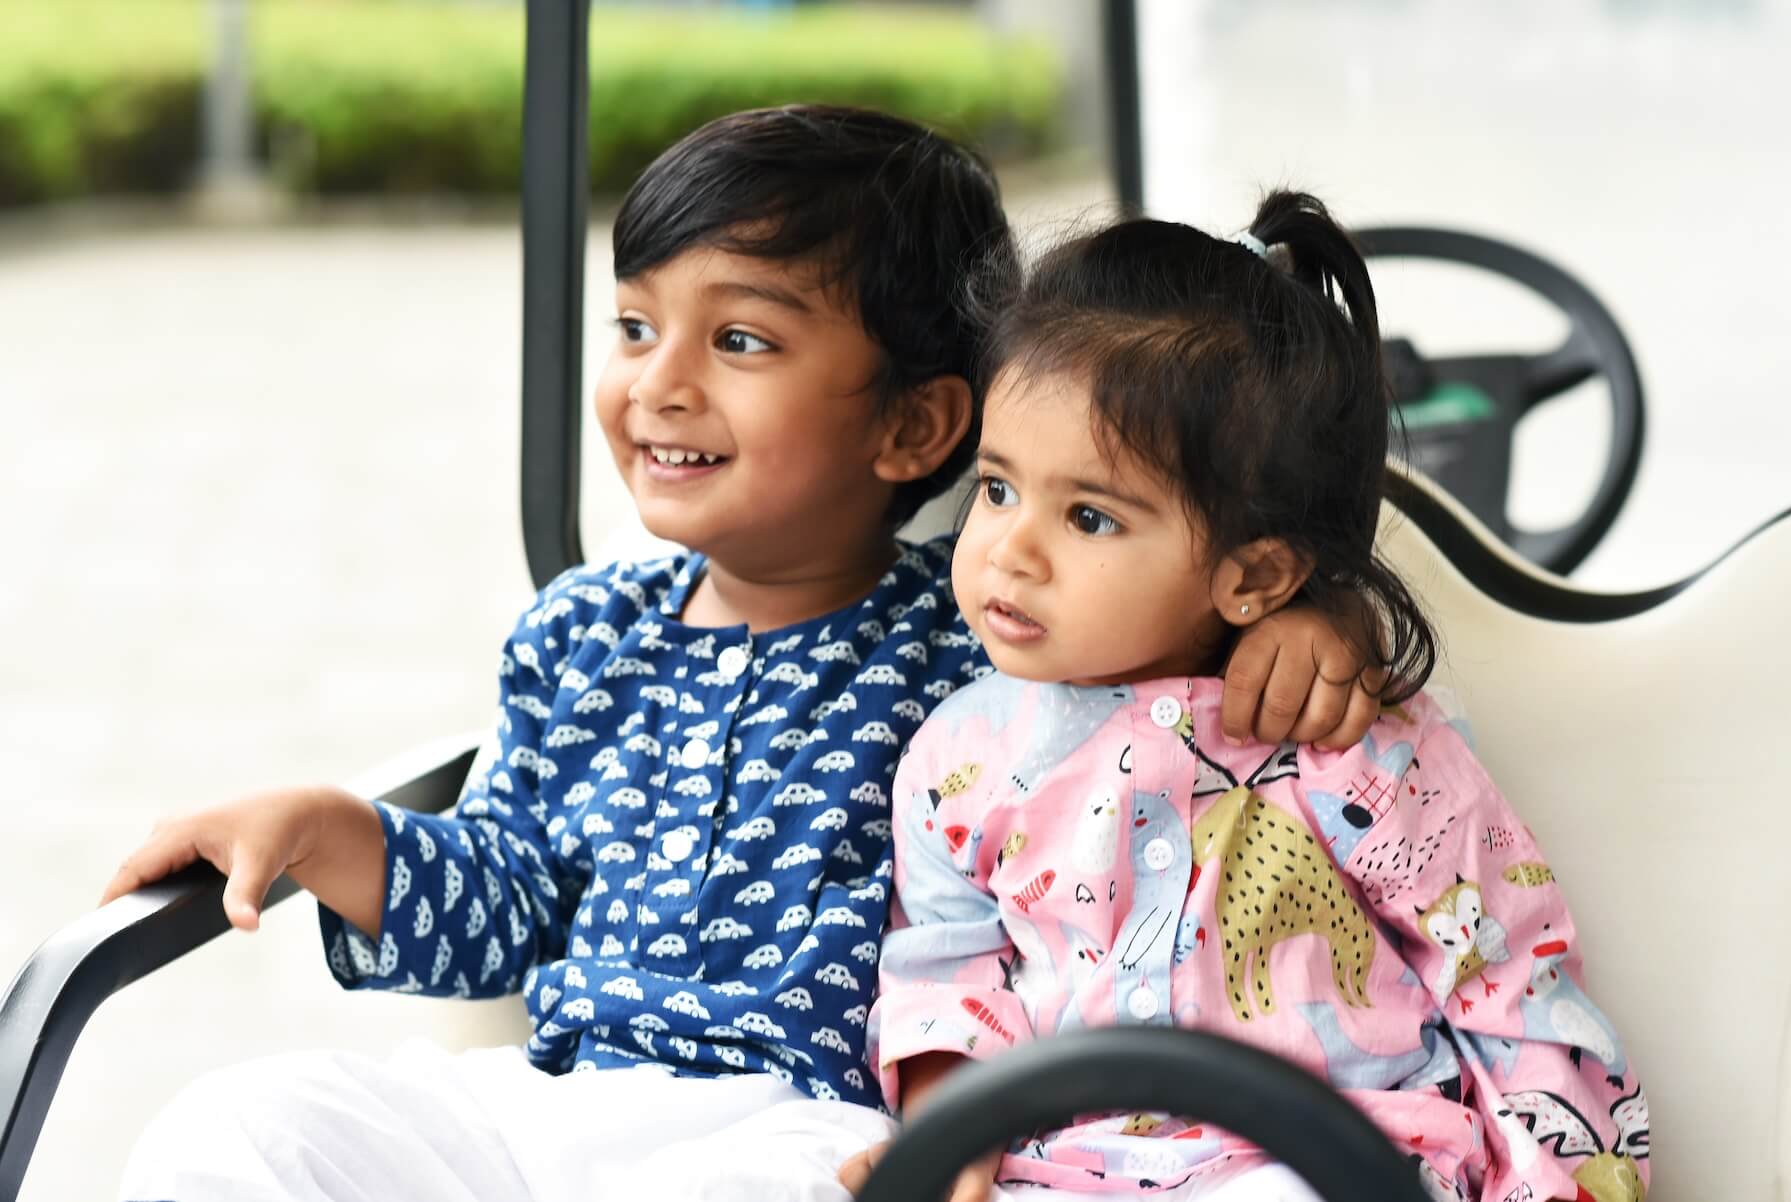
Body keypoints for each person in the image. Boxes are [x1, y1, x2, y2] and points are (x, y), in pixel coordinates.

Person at [101, 110, 1385, 1202]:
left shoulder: (983, 633)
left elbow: (1165, 642)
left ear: (913, 425)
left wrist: (1315, 620)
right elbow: (509, 899)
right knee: (247, 1124)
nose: (658, 383)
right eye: (635, 326)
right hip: (553, 1099)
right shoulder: (580, 633)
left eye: (740, 341)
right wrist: (333, 831)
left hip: (806, 1123)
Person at [838, 197, 1649, 1202]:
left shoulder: (1359, 745)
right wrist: (946, 1139)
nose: (1009, 549)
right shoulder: (955, 759)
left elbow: (1504, 975)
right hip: (1063, 1171)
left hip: (1328, 1164)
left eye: (1089, 516)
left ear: (1254, 575)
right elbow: (944, 977)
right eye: (999, 489)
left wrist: (1562, 1180)